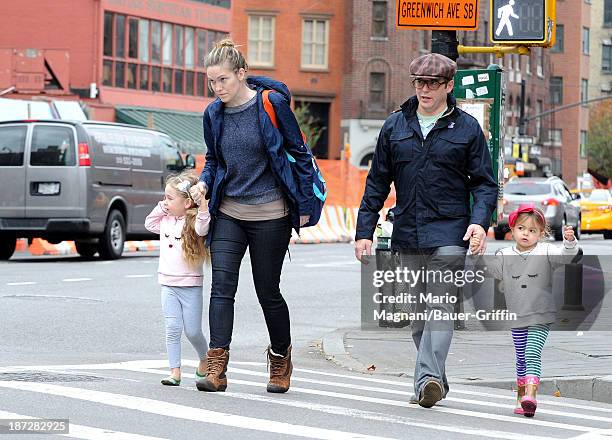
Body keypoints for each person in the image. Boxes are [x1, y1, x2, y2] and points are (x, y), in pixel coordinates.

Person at [354, 52, 498, 408]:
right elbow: (377, 183)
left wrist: (479, 222)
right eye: (419, 82)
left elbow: (484, 184)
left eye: (433, 83)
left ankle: (427, 378)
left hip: (450, 233)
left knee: (439, 307)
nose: (425, 90)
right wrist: (364, 231)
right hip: (408, 233)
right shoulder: (395, 126)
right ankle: (436, 379)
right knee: (419, 319)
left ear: (449, 85)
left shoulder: (466, 128)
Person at [189, 39, 313, 393]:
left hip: (271, 212)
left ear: (242, 74)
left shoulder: (270, 104)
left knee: (267, 291)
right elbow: (214, 160)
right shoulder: (213, 113)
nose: (218, 88)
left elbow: (298, 153)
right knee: (222, 288)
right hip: (229, 210)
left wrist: (303, 206)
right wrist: (204, 184)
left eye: (224, 80)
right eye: (212, 82)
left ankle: (280, 357)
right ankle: (216, 364)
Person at [472, 206, 579, 417]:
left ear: (541, 233)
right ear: (512, 229)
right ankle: (521, 398)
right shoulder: (504, 255)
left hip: (541, 314)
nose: (526, 234)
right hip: (517, 316)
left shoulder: (546, 251)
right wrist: (477, 255)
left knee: (531, 353)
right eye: (521, 228)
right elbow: (488, 271)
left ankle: (531, 395)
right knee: (521, 357)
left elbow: (568, 257)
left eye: (532, 231)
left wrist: (569, 242)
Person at [144, 171, 211, 386]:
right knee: (172, 329)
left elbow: (203, 228)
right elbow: (149, 224)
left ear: (187, 203)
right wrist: (163, 206)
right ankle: (175, 372)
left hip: (190, 286)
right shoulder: (164, 220)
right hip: (168, 284)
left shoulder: (192, 223)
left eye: (170, 198)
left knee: (192, 331)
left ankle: (205, 358)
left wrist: (202, 206)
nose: (165, 201)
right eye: (165, 197)